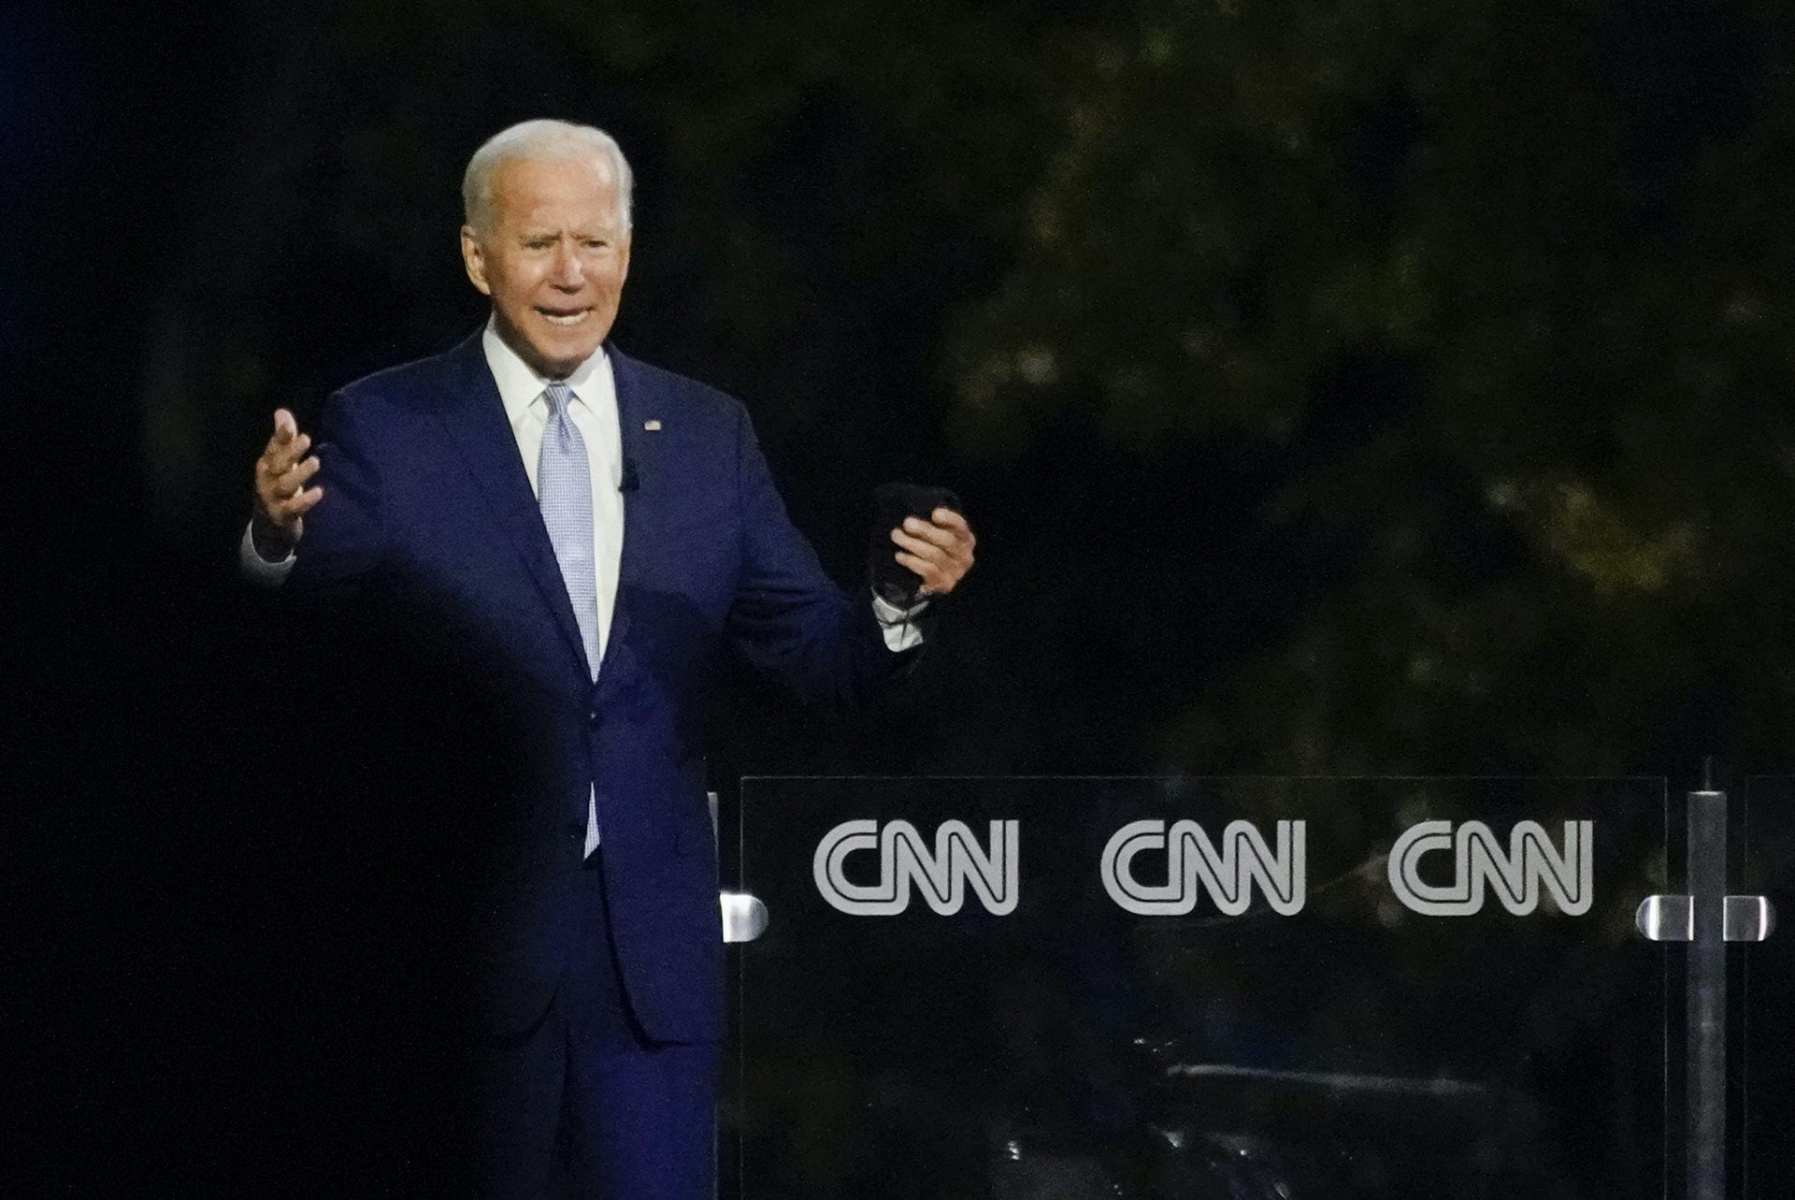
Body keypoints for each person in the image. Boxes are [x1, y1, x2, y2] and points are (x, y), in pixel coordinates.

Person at [242, 118, 975, 1198]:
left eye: (597, 243)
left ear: (628, 253)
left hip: (652, 969)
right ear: (476, 256)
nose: (572, 275)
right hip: (464, 947)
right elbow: (295, 639)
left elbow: (816, 655)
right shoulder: (389, 426)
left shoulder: (707, 432)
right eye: (540, 244)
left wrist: (897, 599)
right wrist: (272, 539)